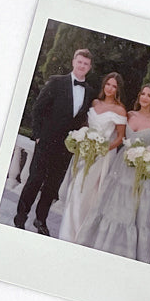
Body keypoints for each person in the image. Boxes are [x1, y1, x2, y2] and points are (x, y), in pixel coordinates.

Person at [76, 83, 150, 261]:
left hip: (139, 172)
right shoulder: (130, 115)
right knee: (109, 205)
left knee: (129, 211)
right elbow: (118, 135)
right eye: (143, 94)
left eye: (149, 95)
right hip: (120, 167)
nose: (145, 98)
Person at [13, 48, 95, 236]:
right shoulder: (57, 82)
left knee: (52, 187)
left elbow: (84, 119)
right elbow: (38, 109)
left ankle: (40, 220)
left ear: (89, 67)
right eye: (80, 62)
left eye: (86, 63)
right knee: (34, 181)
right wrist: (39, 135)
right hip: (46, 142)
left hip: (66, 148)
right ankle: (21, 216)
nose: (82, 65)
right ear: (74, 62)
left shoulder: (90, 92)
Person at [58, 71, 127, 243]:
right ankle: (67, 234)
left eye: (114, 86)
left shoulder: (120, 110)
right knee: (75, 188)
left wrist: (102, 149)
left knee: (87, 193)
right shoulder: (95, 102)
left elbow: (120, 138)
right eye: (108, 84)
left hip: (101, 157)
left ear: (118, 90)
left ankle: (81, 234)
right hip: (84, 153)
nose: (110, 88)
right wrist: (82, 141)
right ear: (104, 85)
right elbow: (87, 126)